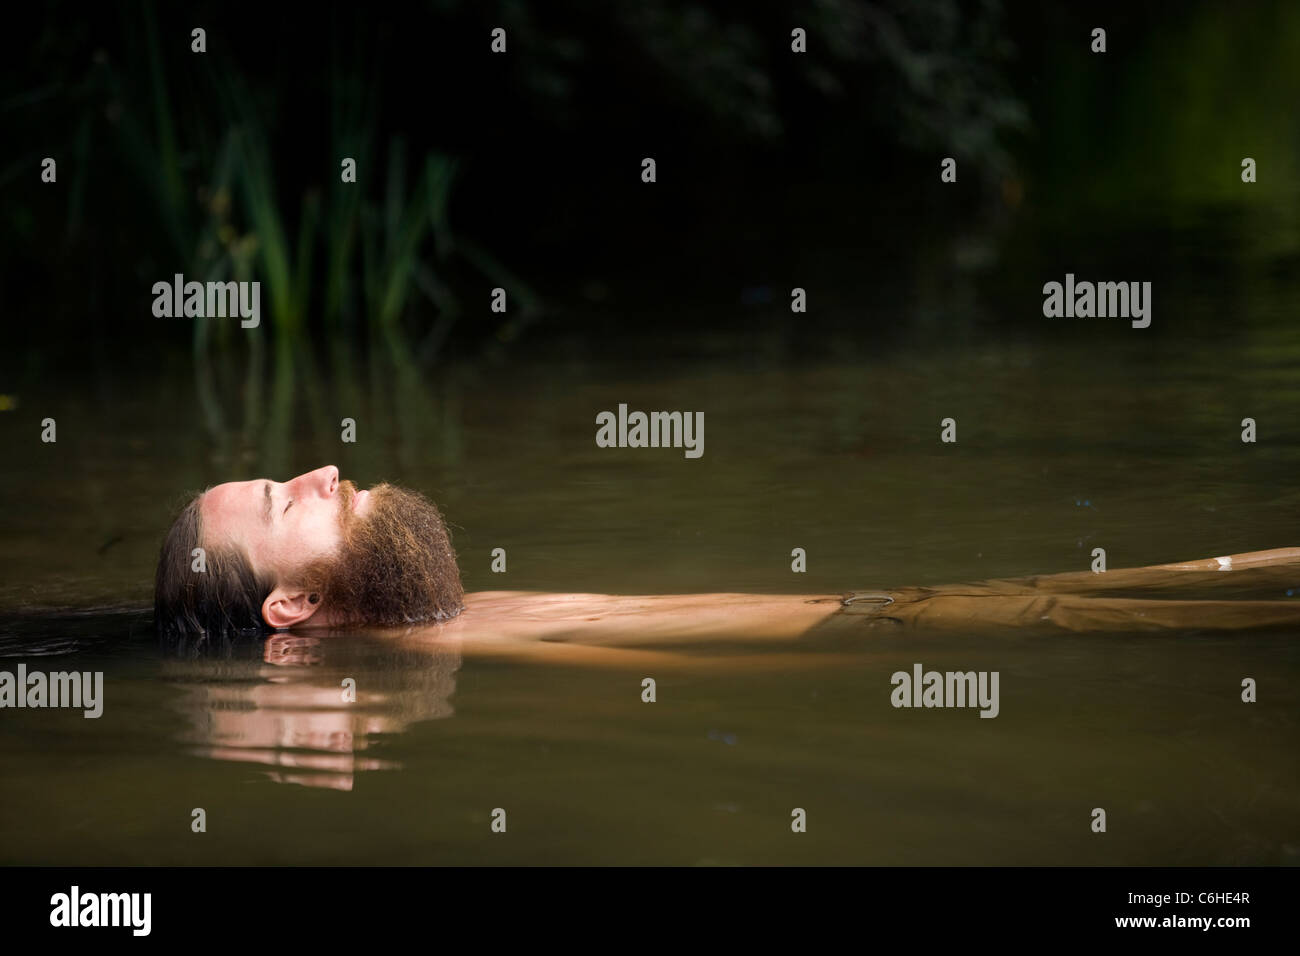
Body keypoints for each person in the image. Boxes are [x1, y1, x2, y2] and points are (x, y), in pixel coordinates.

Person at [155, 466, 1300, 644]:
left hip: (876, 606)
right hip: (864, 620)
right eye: (284, 498)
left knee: (1071, 589)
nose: (322, 470)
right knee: (1040, 608)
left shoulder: (449, 628)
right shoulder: (450, 655)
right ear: (292, 604)